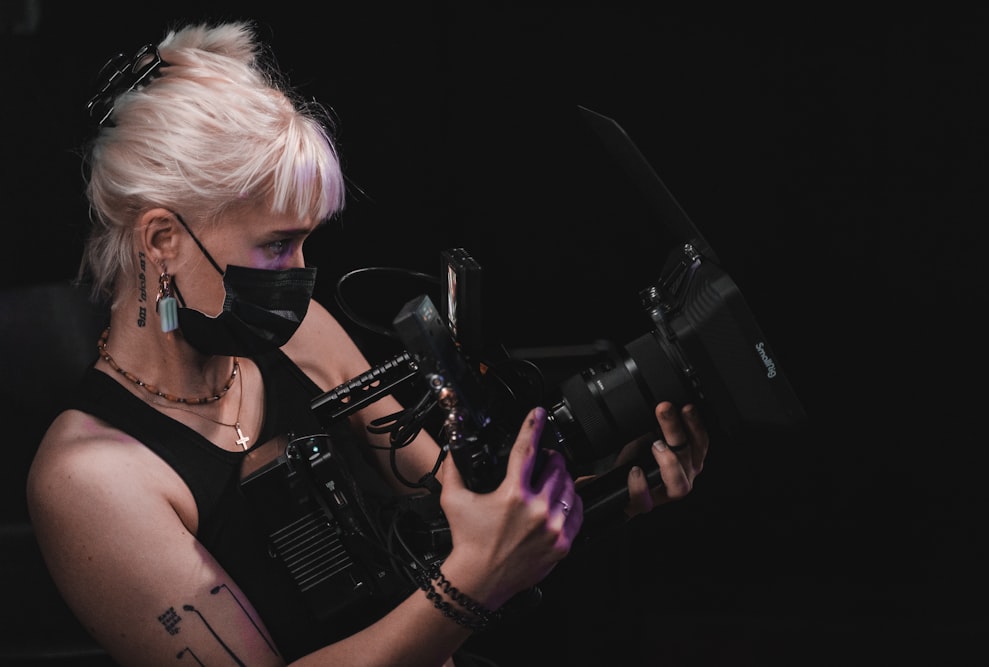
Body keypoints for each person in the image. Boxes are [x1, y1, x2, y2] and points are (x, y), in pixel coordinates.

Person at [26, 20, 709, 667]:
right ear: (162, 241)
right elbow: (472, 565)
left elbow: (452, 502)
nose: (298, 275)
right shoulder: (91, 480)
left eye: (305, 241)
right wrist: (473, 584)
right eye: (275, 245)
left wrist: (603, 482)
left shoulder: (303, 337)